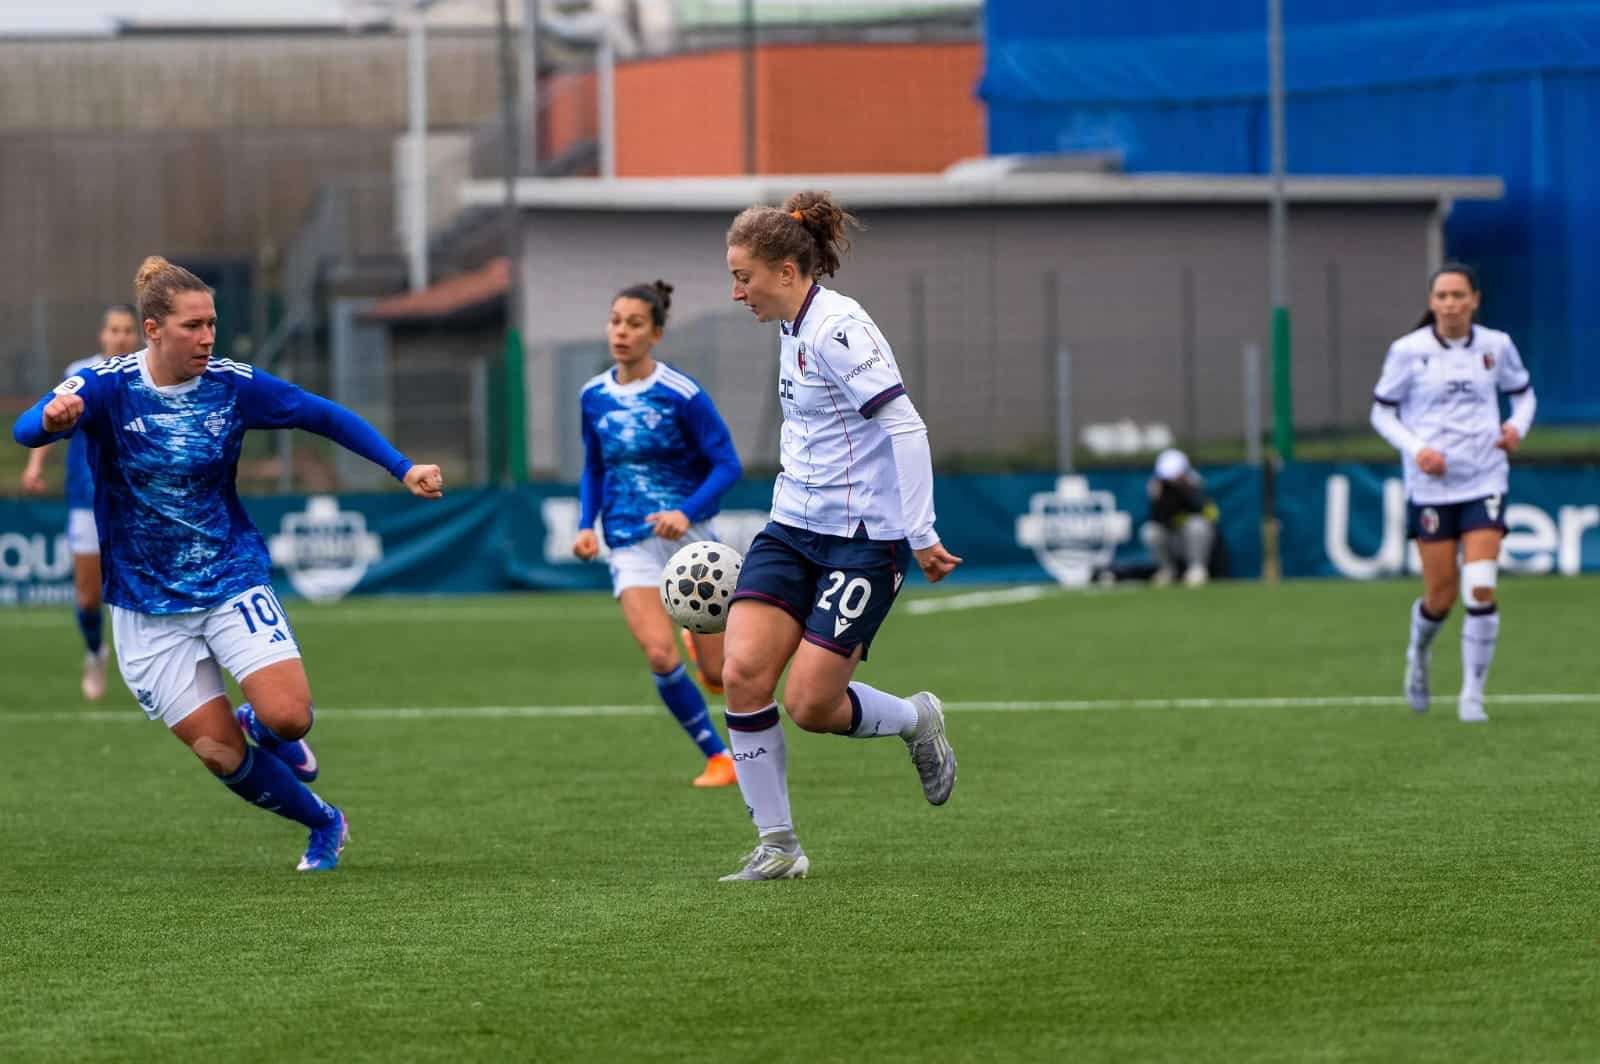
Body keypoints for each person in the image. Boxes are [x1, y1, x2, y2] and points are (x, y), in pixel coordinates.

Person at [12, 256, 444, 871]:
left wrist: (403, 467)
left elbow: (319, 413)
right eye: (193, 326)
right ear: (153, 329)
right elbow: (26, 430)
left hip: (229, 578)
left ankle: (264, 728)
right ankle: (324, 822)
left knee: (288, 718)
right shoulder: (108, 385)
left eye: (212, 323)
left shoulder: (232, 384)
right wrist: (49, 421)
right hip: (144, 603)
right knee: (219, 754)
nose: (208, 337)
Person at [717, 190, 963, 881]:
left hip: (864, 539)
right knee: (741, 674)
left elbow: (905, 426)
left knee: (810, 706)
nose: (737, 291)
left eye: (745, 276)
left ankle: (918, 720)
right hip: (791, 528)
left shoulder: (838, 328)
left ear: (788, 272)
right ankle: (779, 846)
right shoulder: (791, 324)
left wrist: (920, 531)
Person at [572, 280, 743, 788]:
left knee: (718, 676)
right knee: (658, 654)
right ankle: (718, 756)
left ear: (657, 334)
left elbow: (727, 464)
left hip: (692, 547)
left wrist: (686, 512)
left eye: (634, 323)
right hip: (628, 541)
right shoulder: (593, 396)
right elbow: (594, 467)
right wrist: (587, 525)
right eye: (615, 320)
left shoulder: (681, 394)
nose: (621, 332)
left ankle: (703, 648)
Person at [1369, 262, 1535, 723]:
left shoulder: (1496, 346)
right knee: (1439, 598)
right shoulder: (1408, 352)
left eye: (1458, 295)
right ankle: (1418, 656)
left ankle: (1472, 695)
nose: (1450, 304)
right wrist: (1418, 449)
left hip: (1485, 479)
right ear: (1431, 302)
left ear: (1474, 300)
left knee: (1479, 587)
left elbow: (1524, 395)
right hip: (1432, 488)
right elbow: (1381, 414)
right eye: (1441, 296)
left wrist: (1515, 427)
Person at [19, 304, 139, 699]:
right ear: (103, 336)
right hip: (87, 498)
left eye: (127, 330)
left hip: (135, 501)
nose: (121, 337)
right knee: (88, 595)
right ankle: (94, 651)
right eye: (114, 330)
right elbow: (51, 419)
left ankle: (150, 665)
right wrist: (35, 464)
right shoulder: (81, 375)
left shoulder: (148, 376)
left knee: (140, 587)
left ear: (138, 335)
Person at [1139, 448, 1219, 587]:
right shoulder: (1158, 489)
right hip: (1172, 539)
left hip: (1192, 541)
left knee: (1197, 525)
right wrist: (1159, 499)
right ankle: (1167, 570)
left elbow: (1211, 515)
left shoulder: (1195, 486)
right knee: (1150, 531)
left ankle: (1197, 569)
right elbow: (1157, 519)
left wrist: (1187, 491)